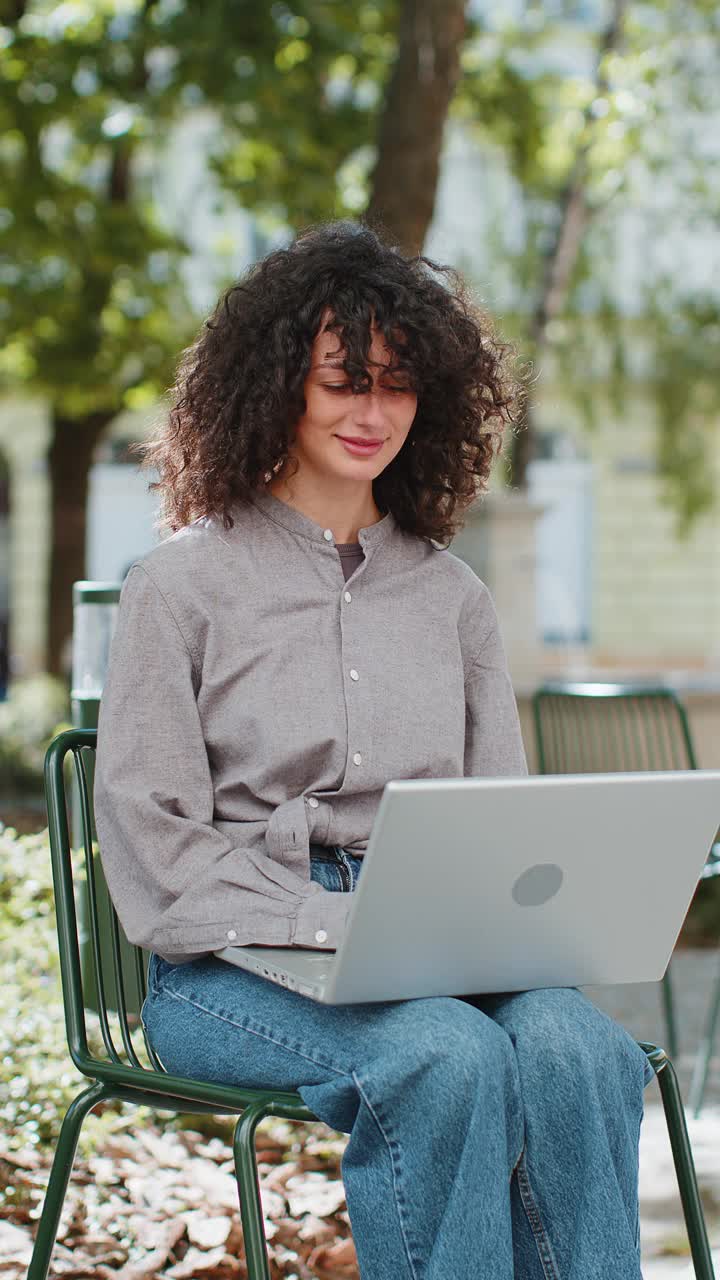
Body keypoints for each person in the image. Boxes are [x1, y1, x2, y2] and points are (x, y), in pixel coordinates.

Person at [94, 220, 653, 1279]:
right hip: (228, 961)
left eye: (397, 385)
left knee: (581, 1045)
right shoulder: (177, 589)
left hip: (437, 936)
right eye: (344, 380)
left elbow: (503, 829)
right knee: (443, 1054)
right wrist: (336, 918)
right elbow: (159, 864)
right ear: (278, 385)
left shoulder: (452, 598)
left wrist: (506, 916)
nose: (372, 412)